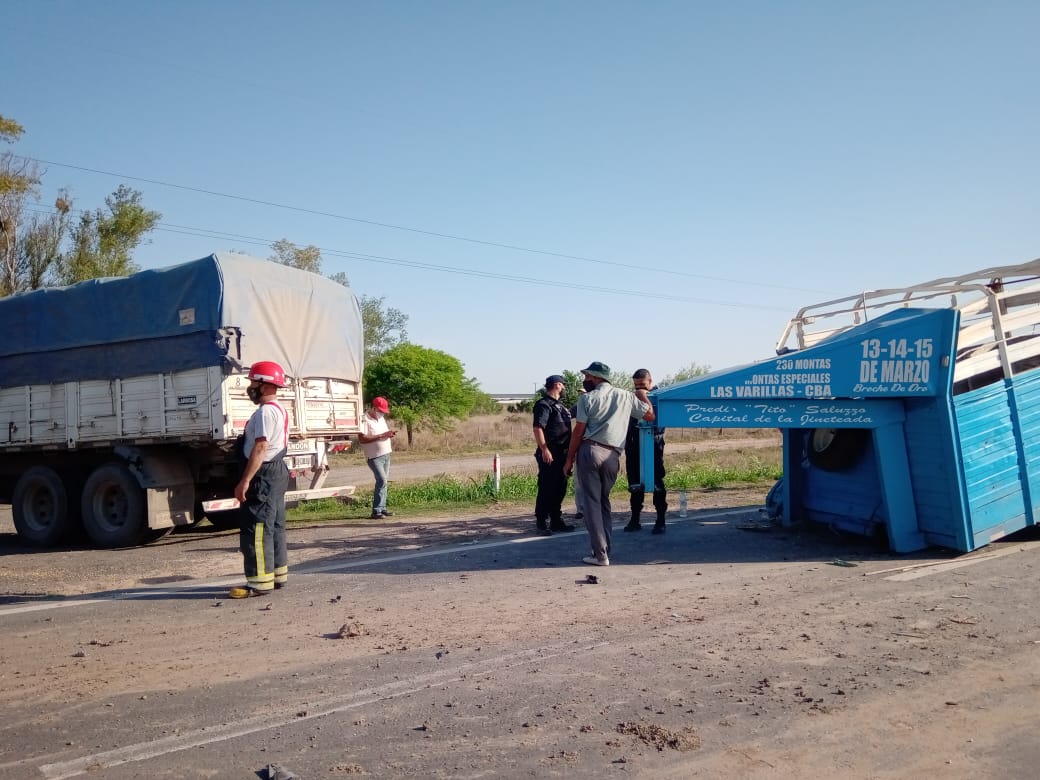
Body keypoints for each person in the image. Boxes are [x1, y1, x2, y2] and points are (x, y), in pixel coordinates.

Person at [563, 361, 653, 567]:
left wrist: (569, 459)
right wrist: (642, 394)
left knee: (591, 505)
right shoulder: (626, 396)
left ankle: (600, 555)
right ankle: (606, 549)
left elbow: (578, 431)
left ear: (595, 378)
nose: (585, 380)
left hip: (591, 451)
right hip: (613, 456)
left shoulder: (588, 398)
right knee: (603, 502)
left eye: (587, 377)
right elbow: (649, 415)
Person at [229, 360, 291, 598]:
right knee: (274, 525)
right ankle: (277, 575)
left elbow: (261, 446)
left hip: (264, 473)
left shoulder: (265, 412)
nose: (251, 386)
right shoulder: (279, 410)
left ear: (265, 385)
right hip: (276, 471)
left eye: (254, 382)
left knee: (256, 528)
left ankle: (259, 582)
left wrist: (245, 480)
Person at [623, 368, 668, 534]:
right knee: (635, 484)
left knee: (657, 483)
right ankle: (635, 519)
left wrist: (643, 397)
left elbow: (654, 418)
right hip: (634, 445)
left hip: (653, 444)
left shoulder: (658, 397)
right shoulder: (632, 397)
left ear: (650, 382)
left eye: (642, 385)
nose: (639, 389)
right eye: (636, 386)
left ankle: (660, 520)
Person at [532, 375, 576, 535]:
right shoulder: (543, 405)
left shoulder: (560, 406)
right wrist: (544, 449)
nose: (564, 388)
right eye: (563, 385)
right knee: (547, 487)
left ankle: (556, 520)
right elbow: (538, 428)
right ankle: (541, 521)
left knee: (560, 487)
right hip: (550, 453)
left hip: (563, 454)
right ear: (557, 385)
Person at [359, 396, 397, 519]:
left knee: (384, 482)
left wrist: (388, 434)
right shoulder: (364, 420)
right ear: (374, 408)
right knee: (382, 481)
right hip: (374, 457)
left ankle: (382, 508)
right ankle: (376, 511)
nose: (382, 413)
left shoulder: (381, 419)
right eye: (380, 411)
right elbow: (362, 439)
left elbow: (383, 434)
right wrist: (381, 435)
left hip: (386, 454)